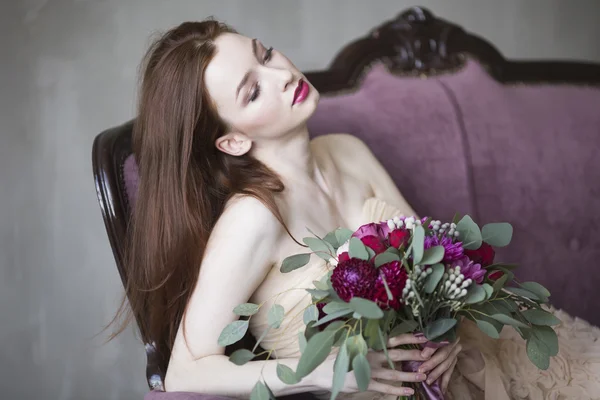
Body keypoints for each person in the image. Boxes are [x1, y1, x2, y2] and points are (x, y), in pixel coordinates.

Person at [111, 20, 600, 400]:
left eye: (267, 54)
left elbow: (436, 258)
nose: (283, 75)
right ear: (233, 139)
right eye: (253, 90)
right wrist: (318, 371)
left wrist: (447, 332)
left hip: (478, 357)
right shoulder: (253, 218)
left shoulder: (348, 150)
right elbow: (185, 369)